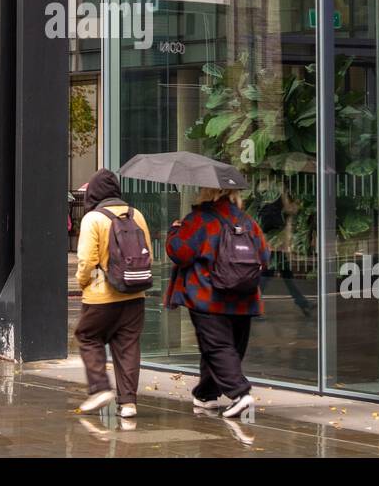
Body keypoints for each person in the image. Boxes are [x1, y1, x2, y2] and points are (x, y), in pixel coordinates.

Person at [165, 187, 269, 419]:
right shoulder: (247, 220)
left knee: (216, 347)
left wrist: (174, 231)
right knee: (226, 348)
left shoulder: (199, 219)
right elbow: (265, 256)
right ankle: (206, 395)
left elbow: (180, 252)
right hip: (244, 297)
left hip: (208, 296)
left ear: (206, 192)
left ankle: (241, 395)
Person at [73, 168, 152, 419]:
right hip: (134, 293)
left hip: (101, 296)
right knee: (127, 345)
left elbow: (87, 260)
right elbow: (147, 251)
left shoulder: (93, 219)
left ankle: (99, 388)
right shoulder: (136, 214)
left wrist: (81, 282)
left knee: (87, 335)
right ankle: (128, 403)